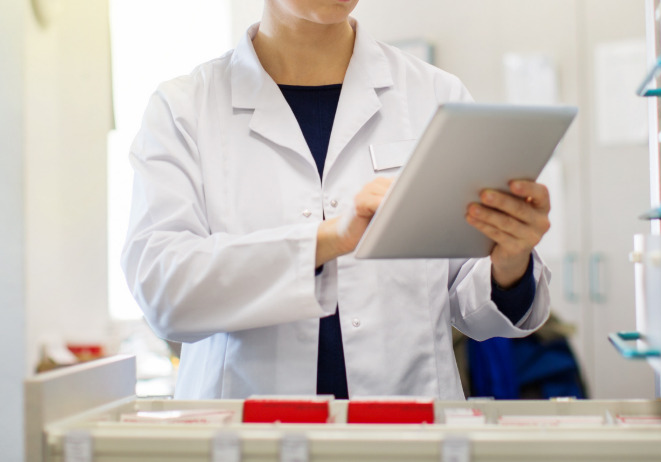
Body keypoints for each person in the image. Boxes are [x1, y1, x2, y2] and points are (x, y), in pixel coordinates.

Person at [121, 0, 552, 400]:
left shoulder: (434, 96)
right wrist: (326, 240)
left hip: (407, 433)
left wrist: (510, 262)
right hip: (247, 433)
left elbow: (470, 304)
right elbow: (163, 290)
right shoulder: (185, 108)